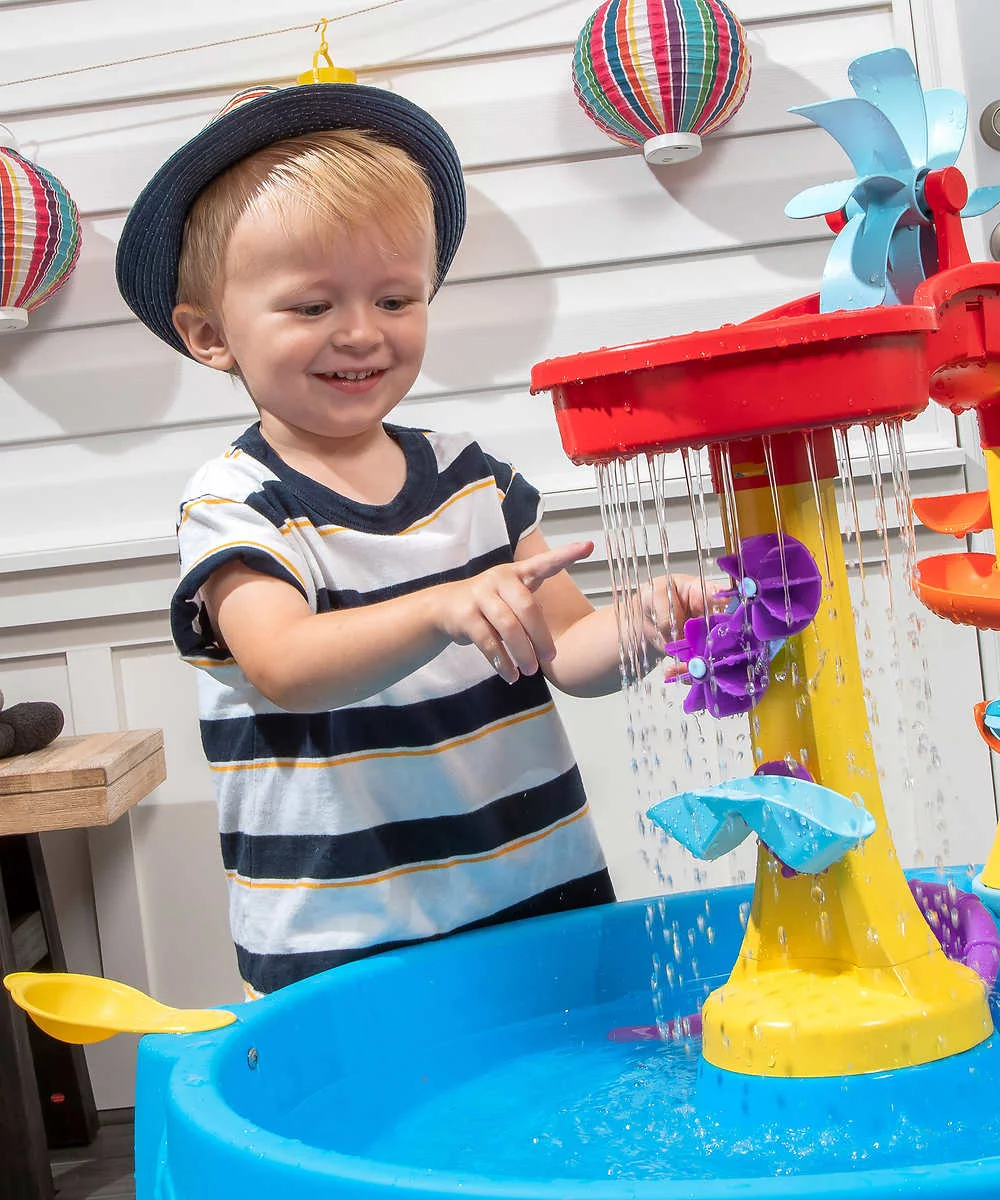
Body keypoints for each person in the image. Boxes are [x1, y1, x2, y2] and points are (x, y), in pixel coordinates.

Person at [115, 82, 709, 997]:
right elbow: (287, 664)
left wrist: (655, 619)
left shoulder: (476, 478)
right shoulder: (237, 502)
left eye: (395, 298)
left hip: (536, 887)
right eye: (311, 307)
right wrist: (439, 608)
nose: (361, 332)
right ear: (209, 335)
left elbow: (572, 652)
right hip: (345, 926)